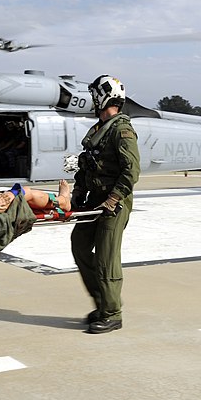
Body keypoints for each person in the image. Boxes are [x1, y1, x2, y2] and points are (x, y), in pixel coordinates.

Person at [70, 75, 140, 334]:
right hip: (95, 199)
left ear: (103, 97)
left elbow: (131, 170)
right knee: (79, 245)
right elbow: (87, 163)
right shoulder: (100, 127)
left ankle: (112, 313)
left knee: (106, 257)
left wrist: (113, 199)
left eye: (94, 95)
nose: (92, 100)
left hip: (115, 202)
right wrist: (79, 190)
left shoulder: (121, 129)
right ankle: (103, 302)